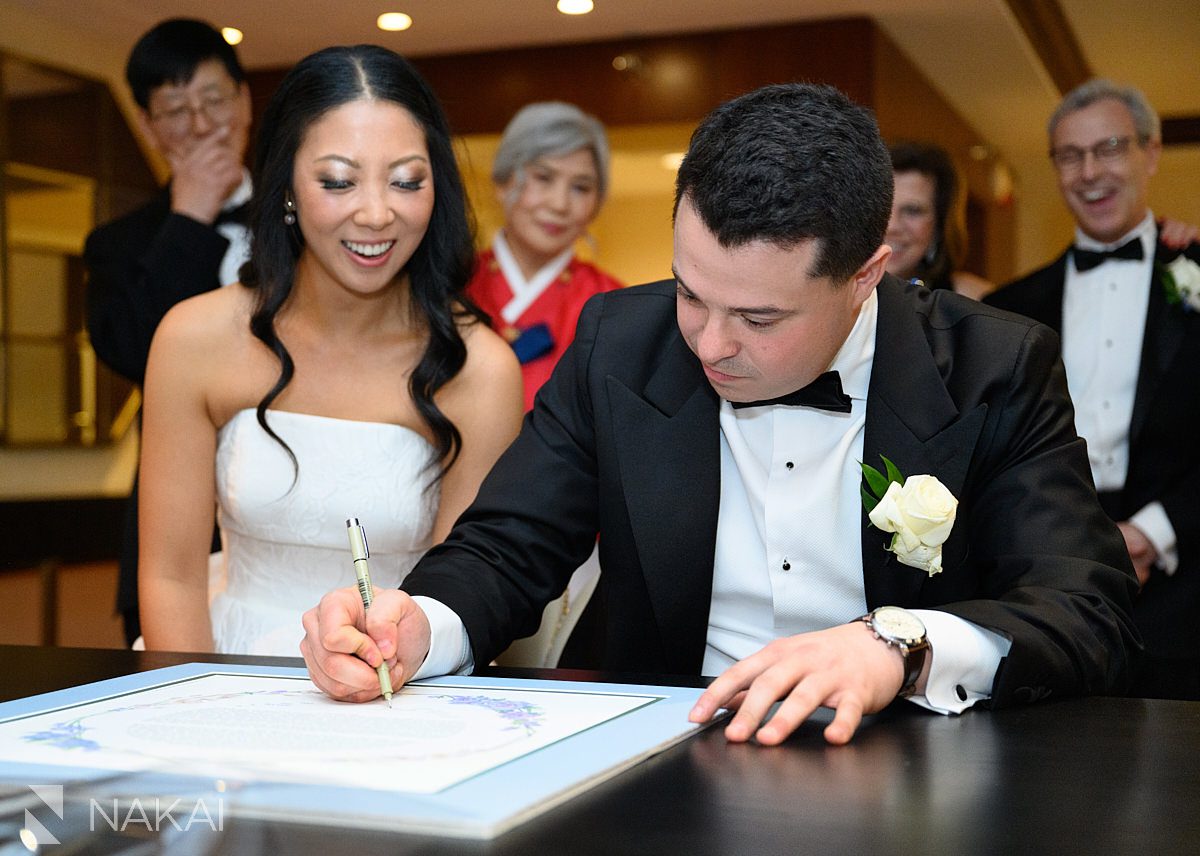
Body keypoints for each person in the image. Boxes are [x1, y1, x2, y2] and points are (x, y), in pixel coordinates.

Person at [301, 82, 1139, 746]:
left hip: (914, 759)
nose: (709, 343)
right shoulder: (618, 342)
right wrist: (422, 624)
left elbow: (1086, 609)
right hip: (662, 753)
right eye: (691, 293)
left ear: (864, 277)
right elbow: (509, 545)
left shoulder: (996, 366)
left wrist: (902, 644)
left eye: (760, 319)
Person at [137, 45, 523, 655]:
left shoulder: (479, 369)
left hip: (399, 674)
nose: (376, 214)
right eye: (339, 181)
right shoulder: (194, 338)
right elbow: (170, 577)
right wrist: (192, 697)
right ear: (286, 184)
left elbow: (466, 590)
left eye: (406, 181)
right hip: (219, 662)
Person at [985, 78, 1200, 700]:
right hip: (1051, 585)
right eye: (1070, 156)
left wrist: (1152, 533)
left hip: (1186, 587)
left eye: (1109, 148)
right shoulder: (1009, 308)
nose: (1089, 173)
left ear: (1150, 153)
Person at [83, 18, 254, 645]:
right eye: (177, 110)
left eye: (214, 99)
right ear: (149, 126)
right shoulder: (116, 244)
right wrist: (189, 219)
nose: (203, 125)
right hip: (174, 527)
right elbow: (130, 349)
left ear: (244, 100)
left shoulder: (310, 220)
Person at [467, 102, 623, 411]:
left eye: (580, 188)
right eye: (543, 178)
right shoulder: (451, 284)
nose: (559, 204)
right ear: (502, 182)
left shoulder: (613, 305)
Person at [885, 142, 995, 300]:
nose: (891, 226)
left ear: (939, 226)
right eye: (882, 206)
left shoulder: (975, 300)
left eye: (913, 210)